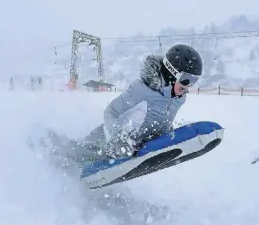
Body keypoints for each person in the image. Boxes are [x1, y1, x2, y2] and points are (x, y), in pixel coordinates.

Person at [68, 44, 203, 162]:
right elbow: (110, 112)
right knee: (72, 158)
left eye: (194, 81)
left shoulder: (178, 99)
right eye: (186, 79)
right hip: (101, 143)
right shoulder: (141, 90)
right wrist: (118, 139)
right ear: (172, 73)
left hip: (126, 153)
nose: (188, 86)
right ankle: (64, 150)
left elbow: (162, 124)